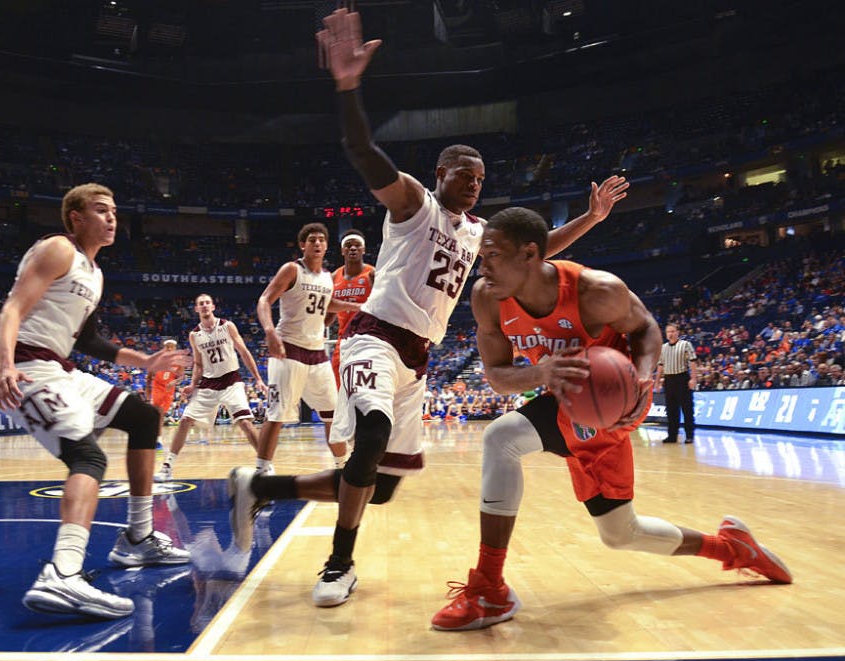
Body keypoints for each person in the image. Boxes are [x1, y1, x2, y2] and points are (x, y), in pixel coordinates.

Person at [227, 6, 629, 607]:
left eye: (481, 177)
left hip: (418, 357)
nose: (475, 183)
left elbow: (538, 250)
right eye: (466, 174)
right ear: (442, 173)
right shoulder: (415, 202)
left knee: (382, 485)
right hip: (373, 336)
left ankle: (262, 488)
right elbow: (362, 149)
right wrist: (347, 87)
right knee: (371, 436)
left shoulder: (481, 234)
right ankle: (339, 564)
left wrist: (591, 219)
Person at [430, 207, 792, 632]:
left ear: (530, 254)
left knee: (502, 439)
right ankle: (733, 548)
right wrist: (539, 373)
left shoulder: (596, 290)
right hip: (565, 399)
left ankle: (490, 589)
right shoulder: (486, 297)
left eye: (491, 254)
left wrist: (641, 381)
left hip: (610, 407)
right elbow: (496, 376)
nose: (482, 264)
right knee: (621, 533)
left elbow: (646, 329)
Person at [0, 183, 192, 620]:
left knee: (143, 416)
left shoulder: (94, 273)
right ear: (75, 217)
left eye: (114, 211)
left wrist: (143, 361)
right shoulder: (58, 249)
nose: (112, 218)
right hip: (22, 363)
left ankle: (138, 535)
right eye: (100, 210)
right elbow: (12, 310)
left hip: (56, 366)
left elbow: (89, 339)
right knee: (88, 457)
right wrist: (4, 366)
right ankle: (64, 573)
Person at [252, 222, 360, 474]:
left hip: (317, 354)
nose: (318, 243)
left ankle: (343, 468)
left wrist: (355, 307)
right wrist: (269, 331)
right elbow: (264, 299)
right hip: (288, 350)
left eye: (322, 240)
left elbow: (327, 303)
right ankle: (262, 470)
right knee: (277, 415)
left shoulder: (326, 277)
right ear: (303, 245)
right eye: (312, 239)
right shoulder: (292, 269)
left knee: (333, 415)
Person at [155, 293, 267, 482]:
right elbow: (198, 364)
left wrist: (258, 378)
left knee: (245, 423)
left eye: (207, 303)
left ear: (213, 307)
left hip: (231, 379)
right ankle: (167, 467)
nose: (205, 306)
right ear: (197, 309)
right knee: (184, 421)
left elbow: (243, 351)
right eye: (201, 304)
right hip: (208, 382)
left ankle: (265, 465)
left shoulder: (227, 326)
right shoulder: (194, 335)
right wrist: (192, 385)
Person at [325, 229, 375, 386]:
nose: (353, 248)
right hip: (344, 339)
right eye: (348, 245)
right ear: (342, 250)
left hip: (370, 338)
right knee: (338, 388)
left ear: (363, 250)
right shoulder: (333, 277)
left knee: (365, 389)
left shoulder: (373, 274)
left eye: (357, 245)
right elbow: (328, 317)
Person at [658, 322, 697, 443]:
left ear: (678, 332)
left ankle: (689, 435)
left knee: (687, 408)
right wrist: (657, 381)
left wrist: (693, 378)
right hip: (669, 380)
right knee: (671, 409)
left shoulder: (686, 344)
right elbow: (660, 365)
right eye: (668, 332)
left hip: (682, 378)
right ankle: (672, 435)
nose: (670, 334)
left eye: (672, 331)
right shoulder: (663, 347)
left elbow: (693, 362)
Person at [150, 339, 181, 448]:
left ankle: (155, 438)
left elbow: (181, 376)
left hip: (169, 390)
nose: (169, 348)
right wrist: (147, 388)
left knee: (160, 414)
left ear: (175, 348)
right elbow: (150, 373)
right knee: (159, 413)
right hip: (157, 387)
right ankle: (158, 440)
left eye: (171, 346)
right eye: (167, 346)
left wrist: (175, 381)